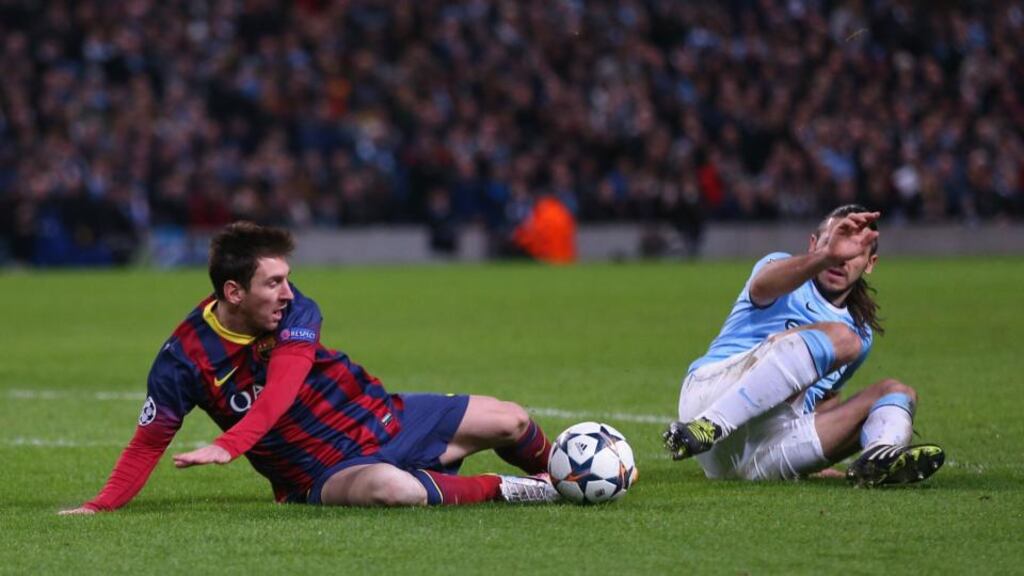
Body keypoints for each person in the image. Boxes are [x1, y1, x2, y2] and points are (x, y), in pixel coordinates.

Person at [60, 222, 558, 514]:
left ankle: (567, 472)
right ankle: (507, 488)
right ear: (234, 292)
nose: (288, 292)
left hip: (383, 416)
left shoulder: (295, 311)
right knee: (394, 490)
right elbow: (148, 441)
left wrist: (228, 444)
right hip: (321, 472)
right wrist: (99, 506)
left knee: (511, 419)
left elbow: (281, 391)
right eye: (273, 282)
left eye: (287, 278)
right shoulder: (183, 360)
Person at [663, 205, 945, 487]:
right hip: (709, 397)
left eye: (854, 252)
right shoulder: (781, 269)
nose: (842, 258)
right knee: (843, 338)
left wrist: (816, 458)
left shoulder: (861, 334)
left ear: (870, 263)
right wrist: (825, 257)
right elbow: (762, 286)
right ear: (814, 245)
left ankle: (879, 458)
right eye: (834, 244)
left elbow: (822, 400)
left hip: (761, 453)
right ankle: (711, 424)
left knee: (897, 392)